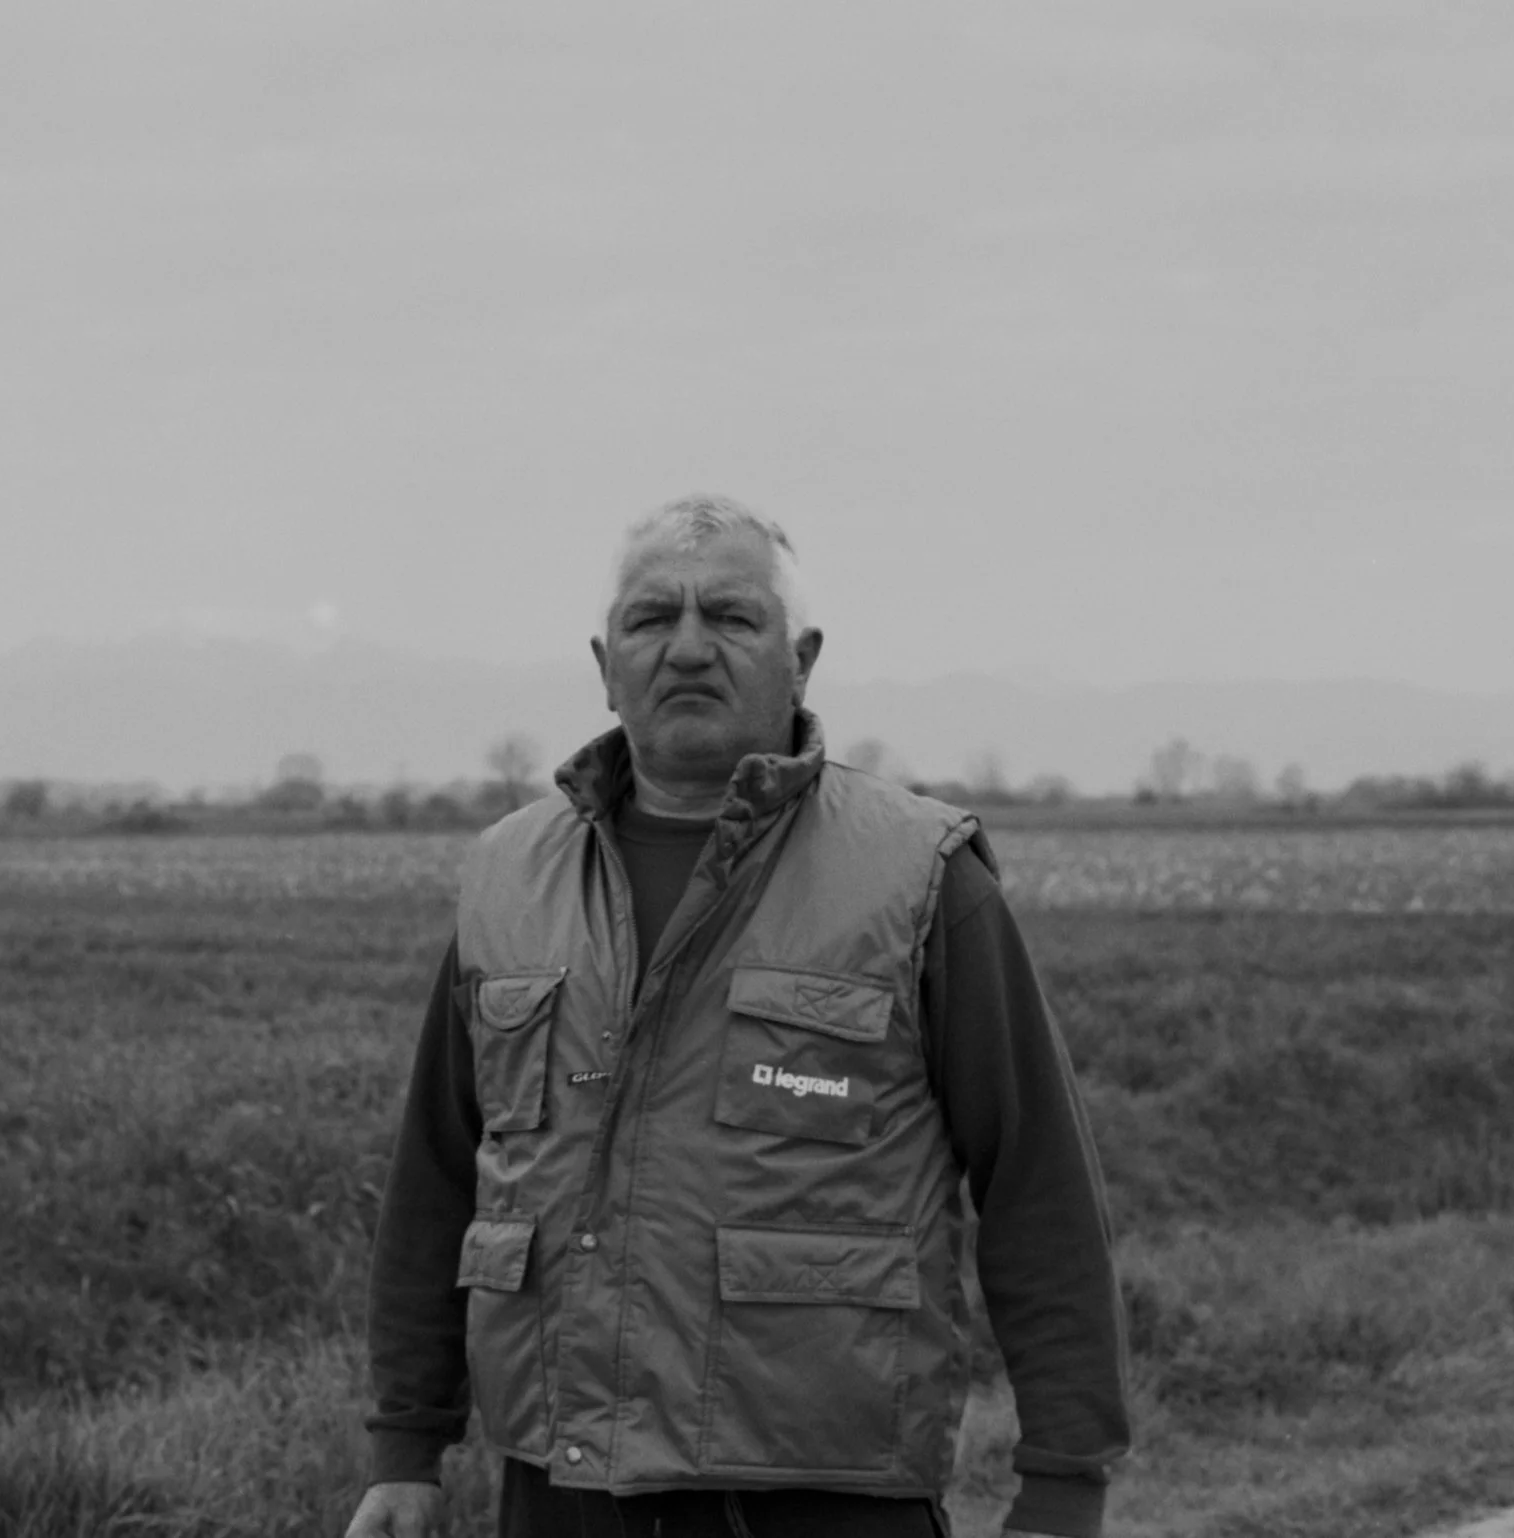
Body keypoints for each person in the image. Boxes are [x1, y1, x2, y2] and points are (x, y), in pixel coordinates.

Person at [344, 496, 1130, 1538]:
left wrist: (1064, 1484)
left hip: (827, 1496)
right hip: (563, 1486)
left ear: (800, 655)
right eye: (650, 617)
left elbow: (1038, 1185)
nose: (687, 647)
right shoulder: (507, 878)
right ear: (602, 659)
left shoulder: (917, 874)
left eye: (730, 615)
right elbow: (437, 1176)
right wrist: (407, 1445)